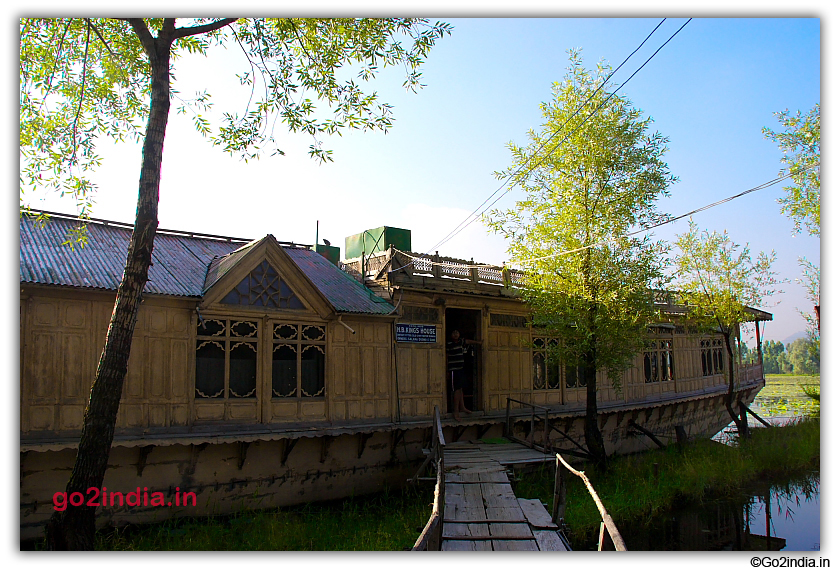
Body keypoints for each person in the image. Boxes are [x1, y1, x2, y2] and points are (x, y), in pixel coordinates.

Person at [446, 329, 482, 421]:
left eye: (457, 332)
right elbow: (446, 357)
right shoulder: (449, 344)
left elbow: (469, 341)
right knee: (457, 390)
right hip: (454, 370)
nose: (455, 334)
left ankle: (462, 407)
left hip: (461, 368)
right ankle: (456, 412)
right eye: (453, 332)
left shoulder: (461, 342)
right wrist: (447, 370)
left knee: (460, 389)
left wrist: (478, 342)